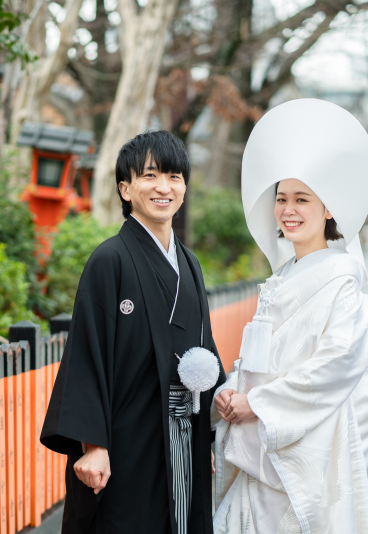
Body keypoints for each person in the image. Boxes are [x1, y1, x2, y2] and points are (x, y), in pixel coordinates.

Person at [211, 99, 368, 534]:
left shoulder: (341, 282)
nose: (288, 209)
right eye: (282, 199)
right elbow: (256, 360)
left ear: (329, 209)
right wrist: (232, 390)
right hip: (257, 451)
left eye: (302, 199)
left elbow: (334, 366)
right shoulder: (282, 277)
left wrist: (258, 403)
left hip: (300, 457)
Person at [41, 130, 225, 534]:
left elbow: (203, 350)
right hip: (128, 437)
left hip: (182, 433)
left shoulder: (189, 263)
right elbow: (88, 354)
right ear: (125, 189)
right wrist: (94, 445)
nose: (164, 187)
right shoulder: (110, 260)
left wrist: (207, 436)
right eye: (150, 176)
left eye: (174, 177)